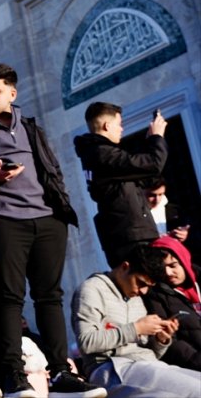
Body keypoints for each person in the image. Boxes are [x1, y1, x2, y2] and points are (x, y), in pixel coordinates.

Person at [0, 63, 102, 398]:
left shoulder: (32, 127)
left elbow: (51, 167)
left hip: (48, 220)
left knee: (50, 296)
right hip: (4, 223)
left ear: (12, 93)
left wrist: (60, 209)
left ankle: (61, 372)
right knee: (8, 298)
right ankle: (13, 377)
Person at [71, 244, 201, 397]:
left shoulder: (136, 297)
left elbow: (147, 352)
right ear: (125, 267)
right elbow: (86, 342)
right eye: (140, 283)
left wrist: (160, 340)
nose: (143, 291)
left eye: (148, 286)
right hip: (111, 368)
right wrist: (136, 329)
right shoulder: (92, 289)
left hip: (147, 365)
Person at [73, 102, 168, 267]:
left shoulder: (100, 153)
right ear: (107, 126)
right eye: (119, 124)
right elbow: (154, 163)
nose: (122, 129)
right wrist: (157, 137)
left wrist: (150, 144)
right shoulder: (102, 154)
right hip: (131, 238)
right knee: (150, 287)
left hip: (131, 235)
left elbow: (148, 176)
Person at [143, 236, 201, 370]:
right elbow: (172, 342)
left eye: (172, 265)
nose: (168, 273)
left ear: (184, 261)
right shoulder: (155, 295)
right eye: (162, 268)